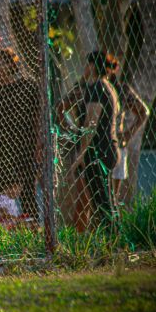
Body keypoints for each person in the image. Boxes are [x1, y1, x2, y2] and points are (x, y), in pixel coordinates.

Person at [57, 51, 121, 231]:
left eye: (87, 65)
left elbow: (91, 124)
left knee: (102, 202)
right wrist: (74, 131)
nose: (84, 69)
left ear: (92, 66)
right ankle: (114, 239)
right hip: (105, 148)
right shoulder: (105, 86)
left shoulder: (98, 88)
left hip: (99, 150)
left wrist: (81, 154)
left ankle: (113, 240)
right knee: (104, 200)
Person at [0, 48, 41, 222]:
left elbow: (38, 119)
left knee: (27, 193)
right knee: (2, 195)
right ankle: (8, 231)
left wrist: (39, 146)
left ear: (10, 65)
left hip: (24, 147)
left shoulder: (27, 86)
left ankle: (32, 227)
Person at [105, 56, 150, 205]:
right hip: (97, 144)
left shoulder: (121, 90)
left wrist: (127, 134)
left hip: (116, 144)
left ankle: (113, 226)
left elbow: (143, 112)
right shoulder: (91, 88)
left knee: (112, 198)